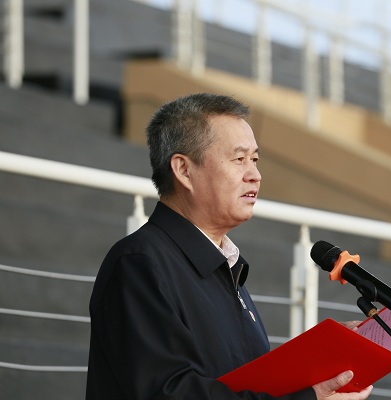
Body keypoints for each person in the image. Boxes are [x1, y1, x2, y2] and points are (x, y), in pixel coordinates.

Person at [85, 92, 373, 400]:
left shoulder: (225, 265)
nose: (255, 175)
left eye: (255, 160)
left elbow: (243, 382)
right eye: (239, 159)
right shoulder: (139, 263)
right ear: (183, 170)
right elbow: (170, 392)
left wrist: (316, 356)